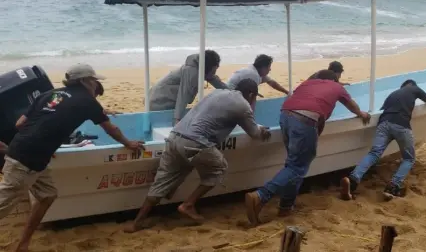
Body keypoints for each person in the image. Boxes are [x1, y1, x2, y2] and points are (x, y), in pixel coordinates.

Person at [0, 63, 145, 252]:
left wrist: (44, 141)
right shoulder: (86, 100)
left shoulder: (49, 94)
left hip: (29, 154)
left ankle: (23, 244)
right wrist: (129, 143)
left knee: (47, 195)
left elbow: (20, 124)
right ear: (85, 81)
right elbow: (111, 129)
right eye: (94, 80)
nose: (95, 84)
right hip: (26, 160)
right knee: (4, 204)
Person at [124, 78, 271, 233]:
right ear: (250, 94)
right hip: (195, 142)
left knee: (161, 182)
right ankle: (188, 204)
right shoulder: (243, 105)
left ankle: (137, 223)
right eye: (254, 97)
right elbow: (254, 133)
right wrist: (263, 131)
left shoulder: (218, 92)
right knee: (219, 168)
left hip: (175, 137)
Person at [244, 70, 371, 226]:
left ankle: (286, 206)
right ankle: (261, 196)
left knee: (293, 165)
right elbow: (351, 104)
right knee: (297, 167)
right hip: (305, 119)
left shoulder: (308, 83)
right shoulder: (336, 87)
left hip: (285, 115)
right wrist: (361, 113)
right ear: (334, 79)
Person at [340, 79, 426, 201]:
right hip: (401, 125)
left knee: (374, 153)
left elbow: (382, 109)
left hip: (383, 124)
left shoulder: (392, 94)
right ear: (412, 85)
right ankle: (393, 186)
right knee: (409, 158)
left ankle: (353, 179)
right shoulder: (414, 89)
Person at [149, 50, 228, 124]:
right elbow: (183, 95)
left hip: (162, 96)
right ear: (208, 66)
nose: (215, 72)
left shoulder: (202, 68)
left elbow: (217, 83)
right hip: (159, 100)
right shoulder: (192, 72)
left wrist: (234, 93)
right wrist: (177, 119)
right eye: (214, 69)